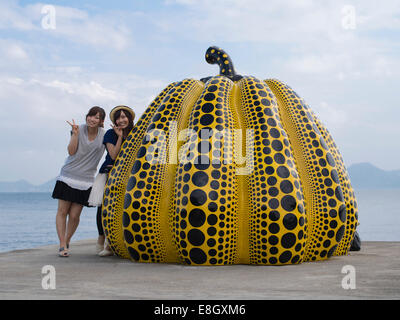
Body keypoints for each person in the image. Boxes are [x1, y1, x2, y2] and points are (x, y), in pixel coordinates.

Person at [52, 106, 106, 257]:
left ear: (101, 121)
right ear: (86, 116)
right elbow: (71, 151)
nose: (92, 119)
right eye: (90, 115)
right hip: (68, 175)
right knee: (62, 211)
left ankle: (67, 240)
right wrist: (74, 134)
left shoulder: (104, 135)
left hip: (86, 180)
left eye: (96, 117)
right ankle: (62, 244)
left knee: (75, 215)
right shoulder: (78, 129)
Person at [88, 105, 135, 257]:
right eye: (118, 118)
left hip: (127, 175)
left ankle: (114, 243)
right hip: (109, 173)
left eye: (124, 117)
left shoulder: (135, 134)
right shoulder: (110, 134)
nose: (121, 120)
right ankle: (102, 241)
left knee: (123, 208)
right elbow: (114, 155)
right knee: (104, 209)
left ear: (129, 118)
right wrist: (120, 136)